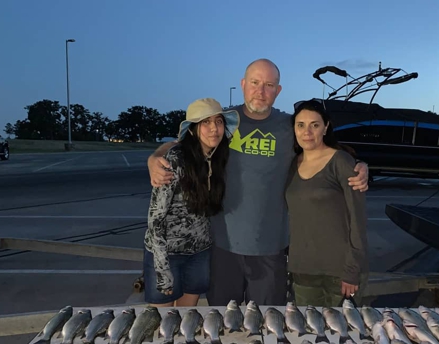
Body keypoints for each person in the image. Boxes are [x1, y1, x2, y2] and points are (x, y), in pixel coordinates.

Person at [147, 59, 369, 306]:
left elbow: (321, 148)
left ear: (278, 90)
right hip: (222, 247)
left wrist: (360, 165)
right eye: (254, 83)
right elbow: (184, 143)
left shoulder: (290, 126)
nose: (260, 91)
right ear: (243, 84)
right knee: (222, 322)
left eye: (269, 85)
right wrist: (155, 156)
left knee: (265, 325)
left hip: (270, 250)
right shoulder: (222, 122)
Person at [143, 98, 239, 307]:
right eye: (206, 122)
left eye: (219, 122)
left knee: (187, 319)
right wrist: (162, 268)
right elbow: (155, 219)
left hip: (199, 254)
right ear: (194, 129)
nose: (214, 128)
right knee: (162, 323)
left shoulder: (218, 157)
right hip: (166, 254)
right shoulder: (175, 159)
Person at [285, 100, 369, 307]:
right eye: (300, 125)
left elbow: (357, 218)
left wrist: (352, 269)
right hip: (303, 270)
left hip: (339, 272)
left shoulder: (340, 161)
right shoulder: (291, 165)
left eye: (314, 125)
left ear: (326, 127)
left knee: (343, 336)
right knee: (309, 335)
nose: (307, 131)